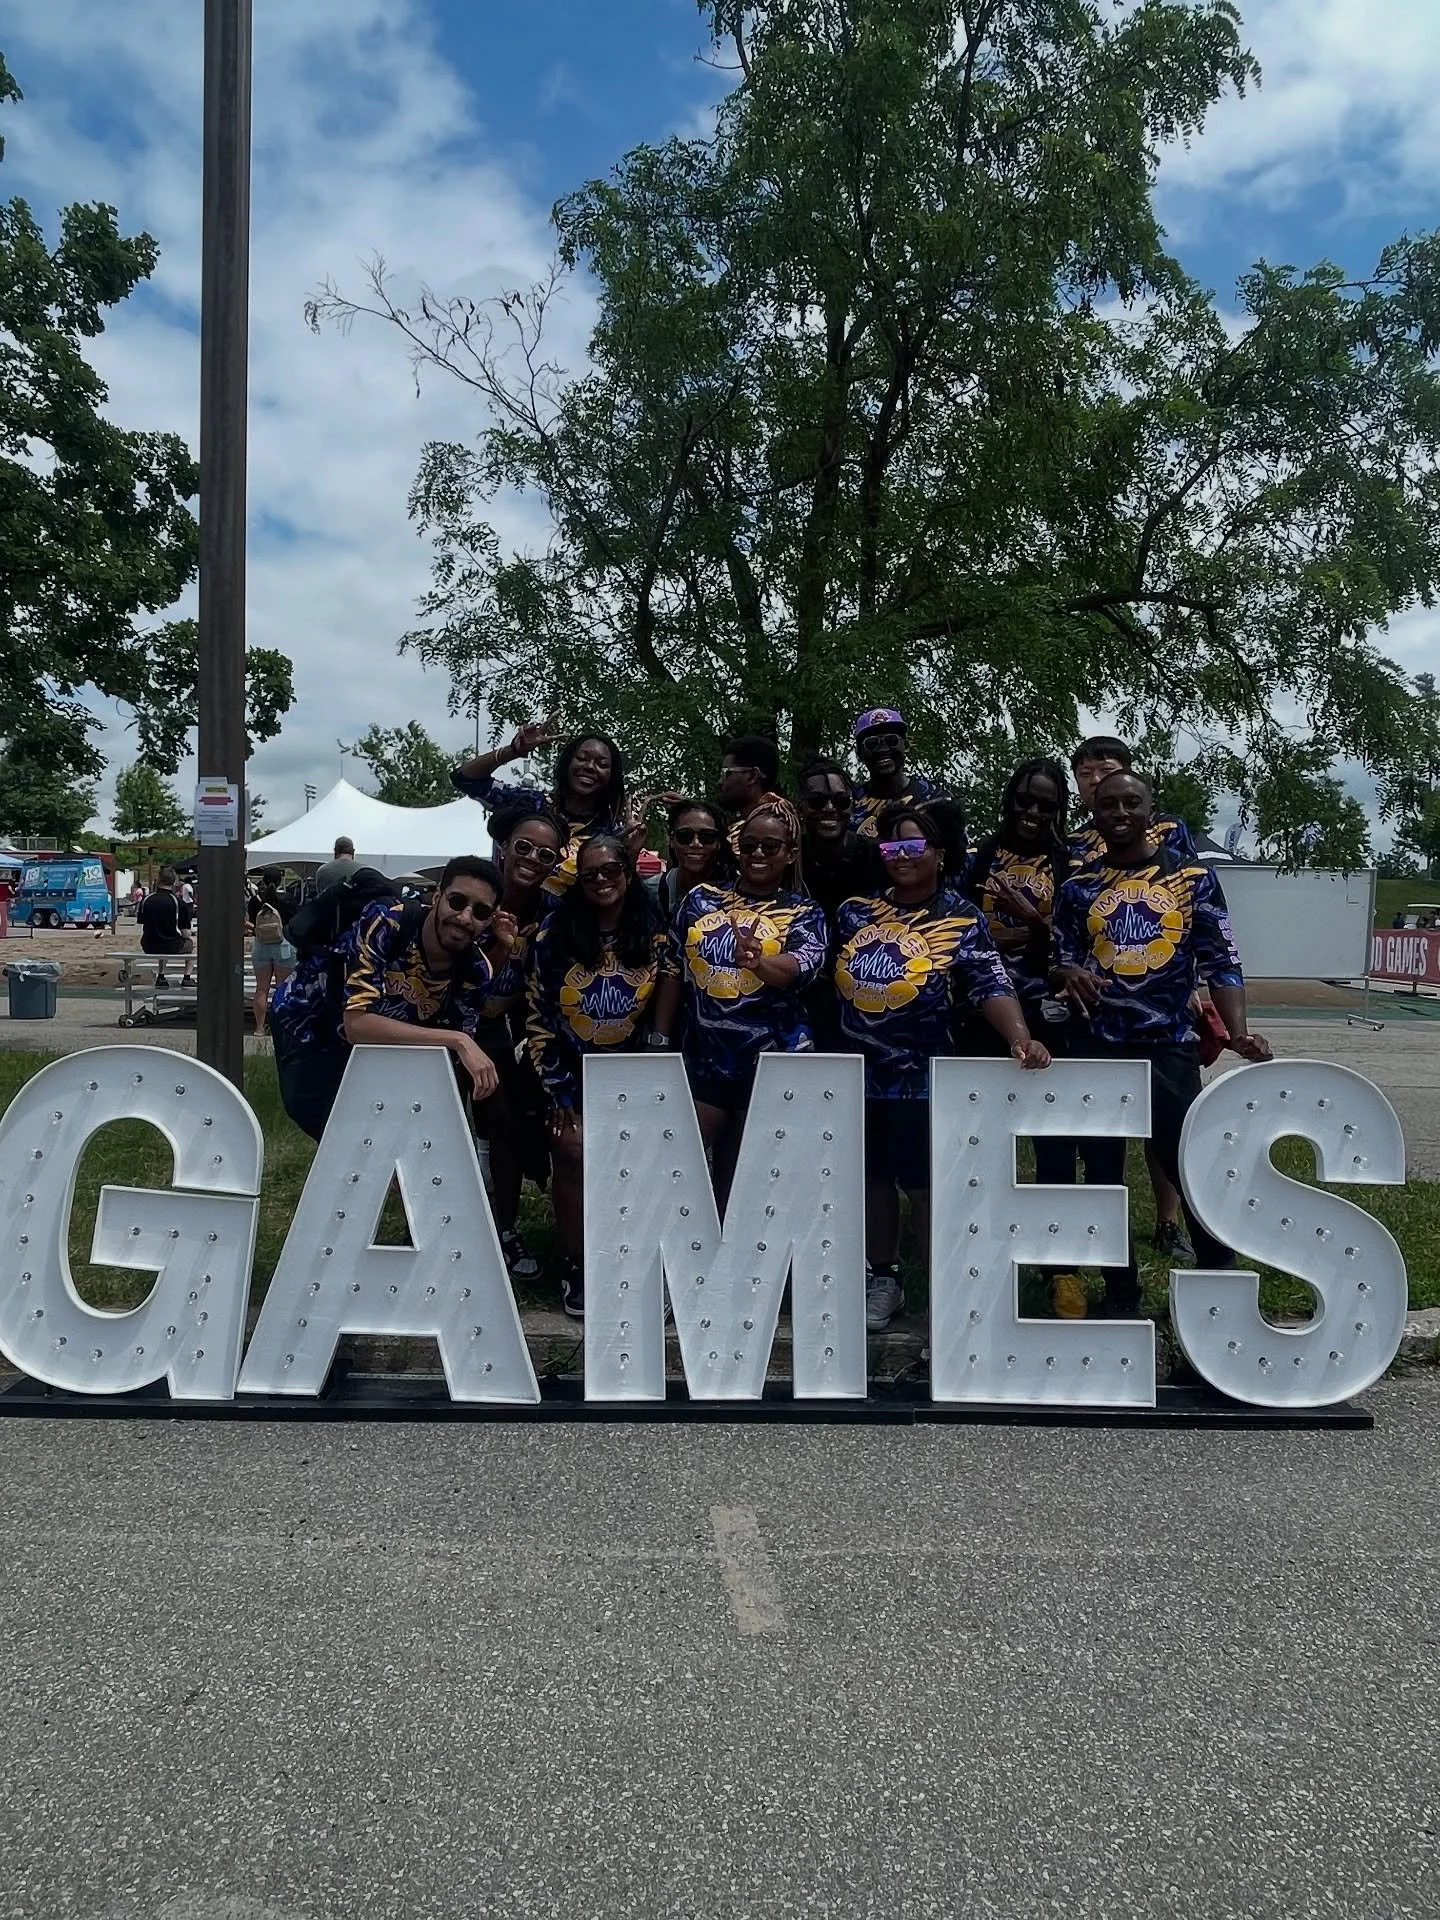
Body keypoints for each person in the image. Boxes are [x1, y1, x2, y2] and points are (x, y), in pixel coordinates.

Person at [1051, 769, 1271, 1317]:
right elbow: (1060, 954)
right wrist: (1069, 972)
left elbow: (1223, 959)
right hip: (1098, 1048)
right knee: (1103, 1173)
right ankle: (1119, 1292)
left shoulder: (1192, 879)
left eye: (1132, 802)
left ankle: (1217, 1277)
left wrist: (1237, 1031)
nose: (1121, 812)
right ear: (1095, 815)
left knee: (1187, 1160)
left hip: (1168, 1044)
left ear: (1151, 811)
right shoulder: (1079, 886)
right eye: (1109, 805)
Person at [834, 803, 1051, 1330]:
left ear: (940, 854)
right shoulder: (852, 913)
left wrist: (1021, 1039)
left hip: (922, 1077)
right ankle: (884, 1279)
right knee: (873, 1180)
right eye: (892, 847)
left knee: (926, 1186)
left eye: (914, 846)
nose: (902, 857)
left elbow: (990, 984)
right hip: (858, 1074)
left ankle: (941, 1290)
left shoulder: (960, 916)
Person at [653, 800, 827, 1207]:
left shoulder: (804, 911)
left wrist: (760, 962)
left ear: (791, 853)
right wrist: (659, 1040)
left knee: (750, 1178)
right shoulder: (699, 900)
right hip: (704, 1058)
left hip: (773, 1060)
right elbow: (673, 970)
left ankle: (755, 1268)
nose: (759, 854)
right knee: (678, 1163)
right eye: (749, 845)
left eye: (771, 846)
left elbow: (802, 967)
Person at [527, 837, 674, 1318]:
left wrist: (656, 1060)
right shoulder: (554, 935)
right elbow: (539, 1017)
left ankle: (644, 1259)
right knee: (571, 1150)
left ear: (628, 873)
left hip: (637, 1070)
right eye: (590, 874)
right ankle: (577, 1265)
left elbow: (670, 998)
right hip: (570, 1071)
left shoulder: (654, 930)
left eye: (611, 870)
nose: (602, 880)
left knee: (648, 1157)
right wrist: (558, 1088)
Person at [473, 804, 568, 1280]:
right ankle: (476, 1225)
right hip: (459, 1025)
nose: (532, 858)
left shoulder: (555, 912)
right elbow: (475, 998)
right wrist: (502, 946)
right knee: (496, 1114)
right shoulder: (473, 899)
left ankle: (505, 1224)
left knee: (528, 1113)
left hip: (526, 1027)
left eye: (545, 854)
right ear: (504, 848)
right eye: (523, 847)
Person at [342, 855, 513, 1105]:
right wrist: (459, 1040)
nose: (465, 917)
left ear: (488, 921)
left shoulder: (477, 969)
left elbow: (451, 1056)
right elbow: (356, 1025)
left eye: (480, 911)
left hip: (390, 1051)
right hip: (314, 1029)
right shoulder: (389, 923)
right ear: (436, 898)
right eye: (457, 901)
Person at [453, 719, 629, 895]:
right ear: (567, 763)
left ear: (611, 777)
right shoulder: (529, 804)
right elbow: (466, 779)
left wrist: (631, 851)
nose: (590, 767)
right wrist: (513, 751)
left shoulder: (611, 832)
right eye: (582, 758)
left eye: (602, 764)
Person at [1067, 737, 1196, 871]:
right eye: (1085, 773)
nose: (1095, 780)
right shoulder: (1073, 843)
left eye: (1106, 769)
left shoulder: (1168, 828)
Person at [797, 760, 881, 919]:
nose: (829, 808)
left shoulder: (875, 856)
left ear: (853, 807)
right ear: (800, 808)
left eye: (841, 801)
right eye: (817, 801)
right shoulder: (789, 857)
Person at [850, 708, 944, 840]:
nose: (883, 749)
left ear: (905, 745)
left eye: (891, 740)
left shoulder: (933, 798)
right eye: (872, 743)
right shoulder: (848, 804)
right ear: (860, 753)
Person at [651, 799, 733, 923]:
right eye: (685, 835)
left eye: (707, 837)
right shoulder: (650, 892)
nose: (696, 844)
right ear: (672, 840)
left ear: (719, 843)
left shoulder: (736, 895)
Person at [247, 865, 294, 1035]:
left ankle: (259, 1028)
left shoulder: (255, 901)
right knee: (282, 988)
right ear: (280, 880)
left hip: (261, 945)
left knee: (261, 988)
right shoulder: (287, 898)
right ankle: (280, 1027)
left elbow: (252, 922)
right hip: (283, 945)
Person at [135, 867, 194, 988]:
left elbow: (141, 920)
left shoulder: (147, 900)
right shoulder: (177, 902)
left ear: (158, 880)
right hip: (171, 945)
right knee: (194, 944)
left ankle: (161, 976)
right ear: (174, 883)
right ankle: (187, 977)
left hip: (149, 944)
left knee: (163, 941)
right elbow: (185, 932)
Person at [717, 735, 786, 829]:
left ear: (752, 776)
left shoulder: (769, 828)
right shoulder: (745, 824)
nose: (720, 782)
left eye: (726, 773)